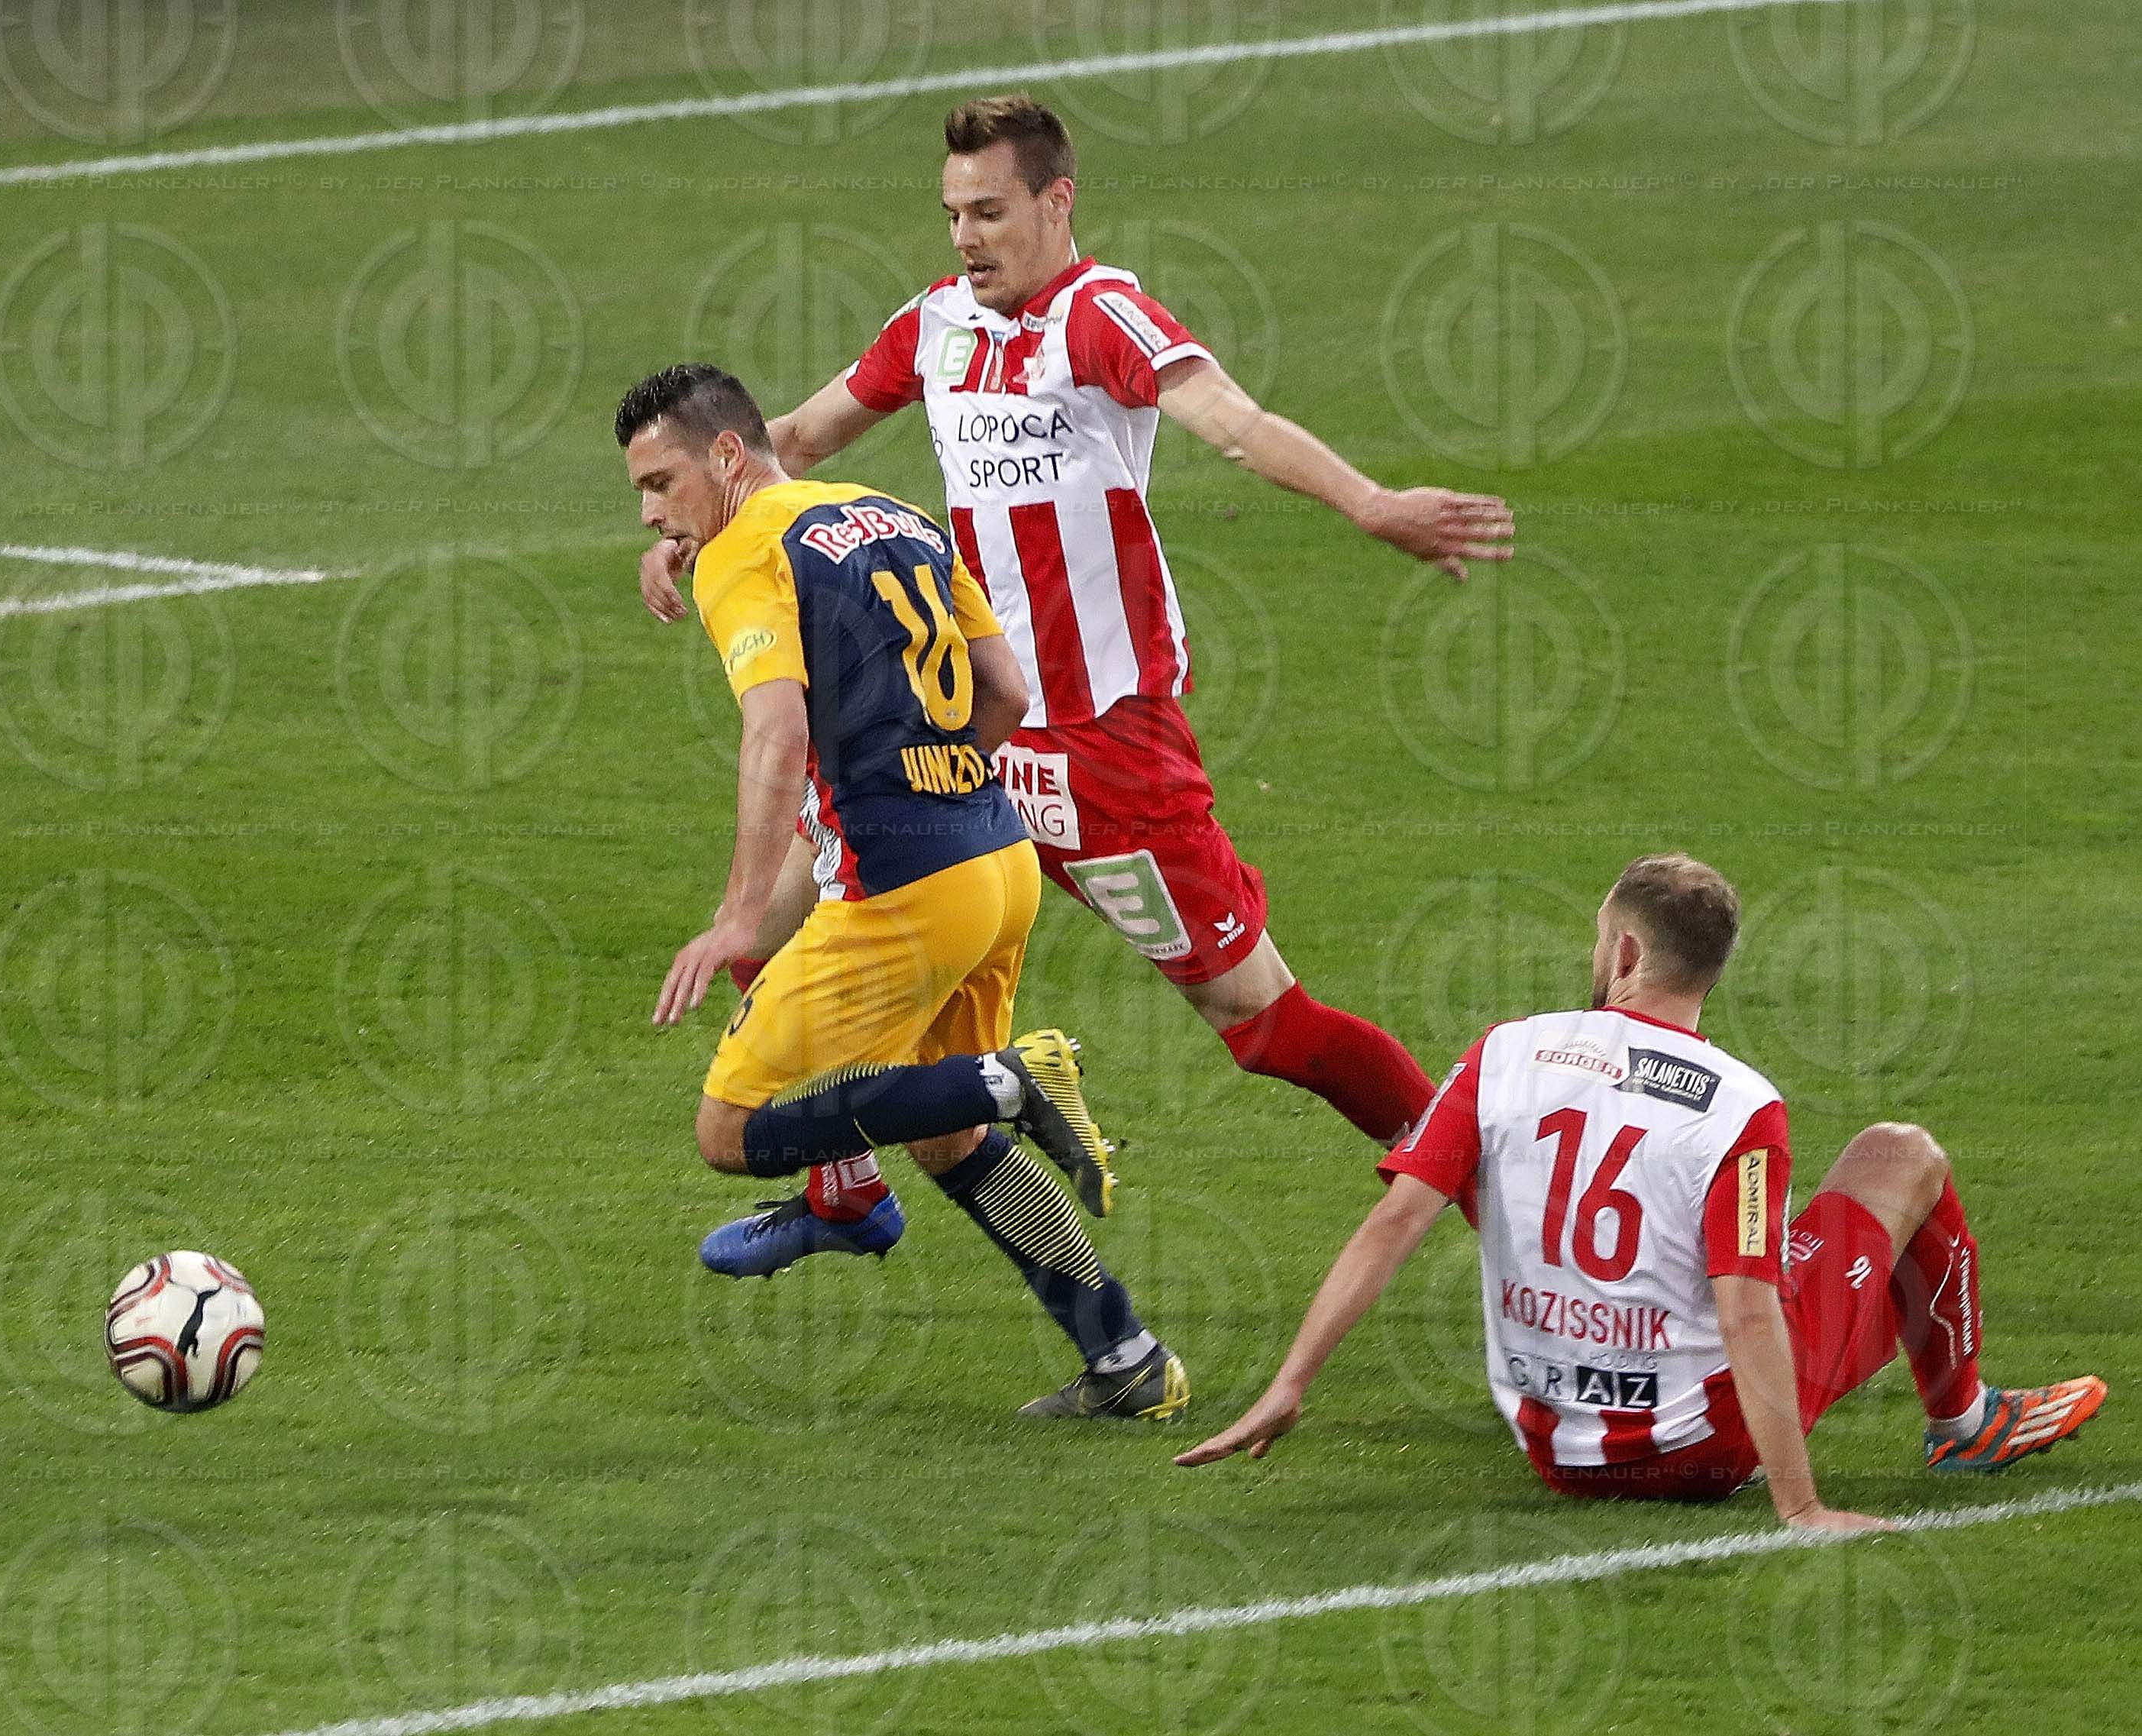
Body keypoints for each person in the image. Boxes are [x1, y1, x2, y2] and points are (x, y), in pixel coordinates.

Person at [645, 94, 1516, 1275]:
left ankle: (1460, 1163)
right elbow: (793, 437)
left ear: (1058, 201)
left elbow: (1234, 422)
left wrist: (1370, 502)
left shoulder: (1101, 319)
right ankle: (845, 1198)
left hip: (1109, 756)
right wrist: (694, 524)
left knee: (1260, 1026)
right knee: (769, 918)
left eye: (991, 211)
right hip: (977, 734)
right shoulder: (935, 327)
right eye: (953, 213)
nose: (967, 237)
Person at [1175, 854, 2107, 1524]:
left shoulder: (1502, 1053)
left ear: (1623, 952)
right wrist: (1801, 1505)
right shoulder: (1743, 1106)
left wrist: (1290, 1383)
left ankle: (1955, 1419)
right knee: (1898, 1154)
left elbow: (1393, 1222)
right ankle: (1965, 1418)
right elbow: (1746, 1310)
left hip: (1555, 1447)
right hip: (1703, 1450)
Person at [619, 362, 1187, 1420]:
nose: (654, 513)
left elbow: (777, 728)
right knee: (944, 1137)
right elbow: (1008, 691)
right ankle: (1126, 1358)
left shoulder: (744, 553)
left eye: (662, 484)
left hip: (907, 893)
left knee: (729, 1129)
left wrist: (743, 913)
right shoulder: (894, 511)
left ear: (728, 457)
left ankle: (1013, 1080)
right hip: (997, 861)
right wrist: (933, 780)